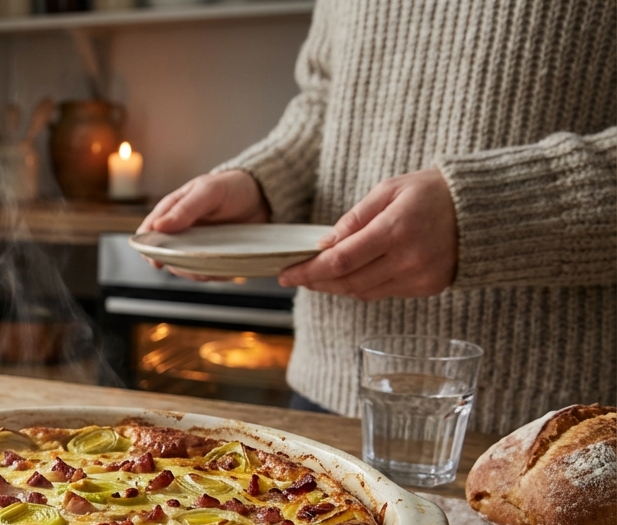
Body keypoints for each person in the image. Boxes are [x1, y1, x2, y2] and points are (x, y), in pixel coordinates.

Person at [138, 1, 617, 435]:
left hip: (552, 427)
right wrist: (266, 184)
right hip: (328, 392)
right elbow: (326, 99)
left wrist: (493, 210)